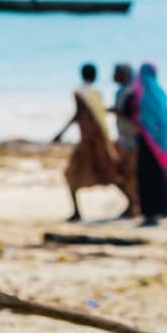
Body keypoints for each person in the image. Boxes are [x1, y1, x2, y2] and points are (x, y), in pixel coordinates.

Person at [53, 63, 124, 222]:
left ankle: (77, 211)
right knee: (108, 173)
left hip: (89, 142)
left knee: (73, 174)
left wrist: (61, 132)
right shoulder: (95, 93)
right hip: (99, 140)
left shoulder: (81, 93)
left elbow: (78, 115)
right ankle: (133, 203)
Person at [118, 62, 167, 227]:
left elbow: (136, 117)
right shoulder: (159, 93)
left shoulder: (141, 95)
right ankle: (164, 207)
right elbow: (165, 119)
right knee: (159, 176)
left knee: (147, 178)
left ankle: (151, 212)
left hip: (147, 141)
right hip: (161, 143)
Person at [110, 63, 141, 218]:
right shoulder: (124, 92)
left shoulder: (129, 93)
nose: (113, 76)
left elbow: (130, 115)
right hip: (124, 139)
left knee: (126, 174)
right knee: (124, 174)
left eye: (116, 72)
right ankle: (133, 204)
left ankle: (134, 205)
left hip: (130, 141)